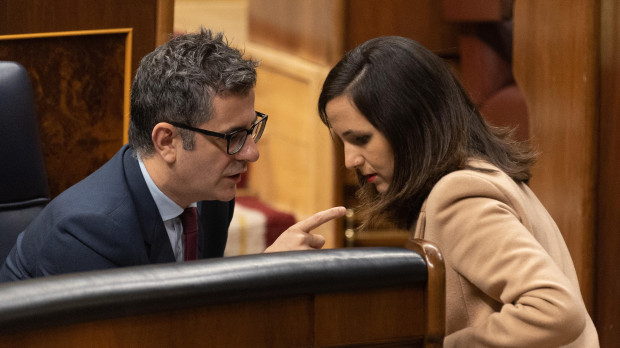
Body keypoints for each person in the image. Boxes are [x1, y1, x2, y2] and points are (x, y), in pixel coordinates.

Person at [317, 36, 599, 347]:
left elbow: (556, 310)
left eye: (360, 139)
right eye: (342, 141)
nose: (349, 160)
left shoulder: (460, 197)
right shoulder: (477, 173)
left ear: (411, 125)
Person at [0, 28, 344, 282]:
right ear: (166, 141)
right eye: (232, 137)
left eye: (250, 130)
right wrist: (261, 273)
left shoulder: (210, 195)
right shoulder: (86, 234)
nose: (251, 153)